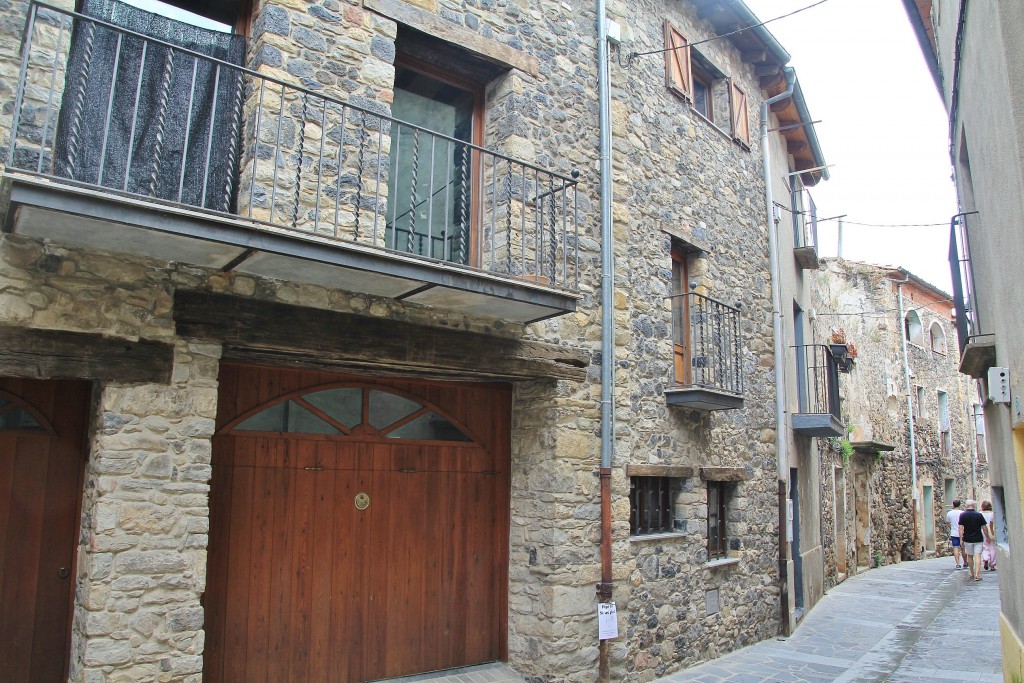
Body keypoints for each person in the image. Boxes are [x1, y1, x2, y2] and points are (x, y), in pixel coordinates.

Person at [959, 499, 990, 581]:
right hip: (978, 538)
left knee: (970, 556)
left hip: (967, 538)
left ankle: (972, 572)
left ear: (966, 505)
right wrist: (987, 537)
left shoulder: (963, 515)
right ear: (974, 505)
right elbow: (984, 528)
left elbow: (961, 528)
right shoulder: (979, 515)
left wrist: (961, 539)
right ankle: (977, 574)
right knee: (978, 556)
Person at [946, 499, 965, 569]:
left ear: (953, 505)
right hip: (962, 533)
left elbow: (948, 522)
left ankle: (958, 564)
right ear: (959, 505)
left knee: (955, 547)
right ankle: (965, 562)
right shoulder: (962, 513)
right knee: (963, 548)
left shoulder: (949, 513)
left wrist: (952, 527)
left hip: (954, 533)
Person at [982, 500, 997, 571]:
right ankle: (992, 565)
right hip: (992, 531)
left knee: (985, 547)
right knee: (993, 547)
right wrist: (992, 531)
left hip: (982, 532)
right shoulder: (993, 514)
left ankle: (985, 559)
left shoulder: (980, 514)